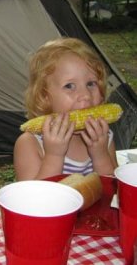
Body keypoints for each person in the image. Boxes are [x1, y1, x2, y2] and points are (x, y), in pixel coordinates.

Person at [14, 37, 118, 180]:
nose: (85, 95)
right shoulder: (30, 144)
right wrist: (54, 156)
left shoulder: (104, 137)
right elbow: (33, 199)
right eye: (69, 86)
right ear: (45, 97)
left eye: (91, 83)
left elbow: (114, 194)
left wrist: (100, 155)